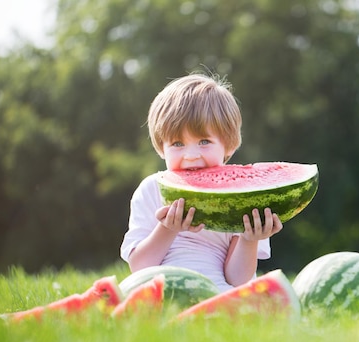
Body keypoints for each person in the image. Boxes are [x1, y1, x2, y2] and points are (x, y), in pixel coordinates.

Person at [120, 73, 283, 292]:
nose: (191, 155)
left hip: (218, 295)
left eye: (204, 141)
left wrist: (249, 239)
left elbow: (238, 280)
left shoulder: (245, 197)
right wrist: (167, 229)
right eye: (177, 144)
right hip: (158, 293)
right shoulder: (150, 191)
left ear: (229, 145)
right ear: (161, 147)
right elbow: (139, 268)